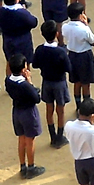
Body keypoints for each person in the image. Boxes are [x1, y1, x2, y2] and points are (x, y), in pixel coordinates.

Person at [32, 20, 73, 148]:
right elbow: (68, 68)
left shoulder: (39, 50)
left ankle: (53, 136)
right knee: (60, 110)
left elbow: (35, 64)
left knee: (49, 109)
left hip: (47, 82)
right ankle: (60, 137)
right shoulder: (61, 52)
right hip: (59, 83)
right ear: (56, 34)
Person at [7, 56, 47, 178]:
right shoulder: (24, 85)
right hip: (28, 113)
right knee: (30, 141)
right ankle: (31, 167)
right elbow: (36, 98)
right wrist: (29, 81)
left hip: (17, 111)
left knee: (21, 139)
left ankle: (23, 166)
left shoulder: (8, 80)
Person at [67, 97, 94, 185]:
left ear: (79, 112)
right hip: (93, 161)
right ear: (93, 116)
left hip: (79, 161)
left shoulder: (69, 126)